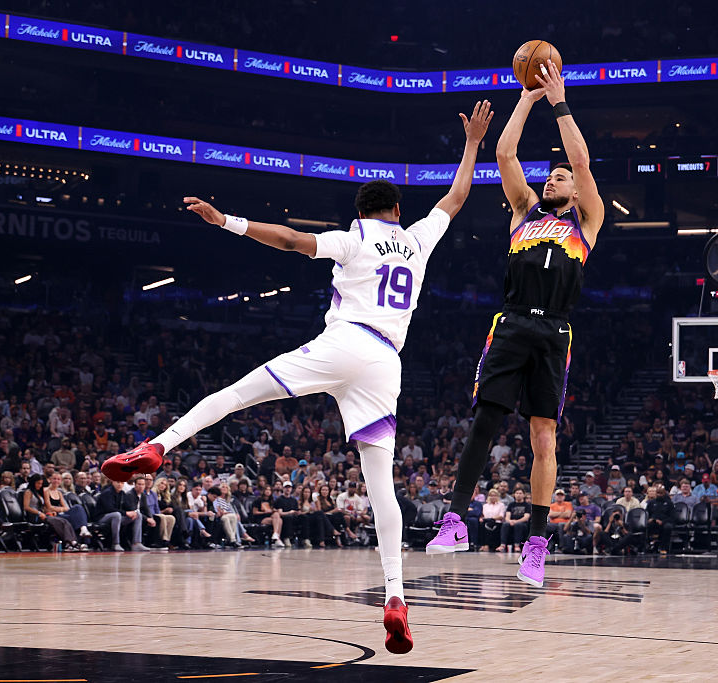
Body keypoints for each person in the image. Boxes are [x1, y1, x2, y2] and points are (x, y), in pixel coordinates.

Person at [99, 101, 494, 654]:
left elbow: (288, 239)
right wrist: (473, 141)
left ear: (360, 211)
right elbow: (455, 197)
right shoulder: (419, 237)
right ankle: (396, 595)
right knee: (382, 486)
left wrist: (227, 221)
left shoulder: (353, 239)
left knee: (237, 394)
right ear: (399, 210)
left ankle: (159, 447)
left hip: (345, 340)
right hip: (387, 362)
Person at [428, 61, 605, 590]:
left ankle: (535, 544)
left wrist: (559, 101)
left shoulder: (587, 219)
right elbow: (505, 154)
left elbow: (580, 158)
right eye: (550, 174)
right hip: (510, 324)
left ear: (574, 192)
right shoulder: (524, 210)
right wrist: (526, 97)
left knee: (543, 435)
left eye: (561, 177)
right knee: (485, 419)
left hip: (554, 331)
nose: (554, 176)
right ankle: (455, 521)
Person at [498, 488, 531, 553]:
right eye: (517, 493)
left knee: (518, 525)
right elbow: (507, 517)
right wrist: (510, 521)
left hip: (522, 523)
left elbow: (526, 517)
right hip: (512, 522)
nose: (518, 495)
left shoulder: (527, 505)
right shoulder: (511, 505)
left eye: (520, 493)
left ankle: (517, 545)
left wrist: (516, 521)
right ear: (514, 495)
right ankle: (502, 545)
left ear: (523, 495)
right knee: (505, 524)